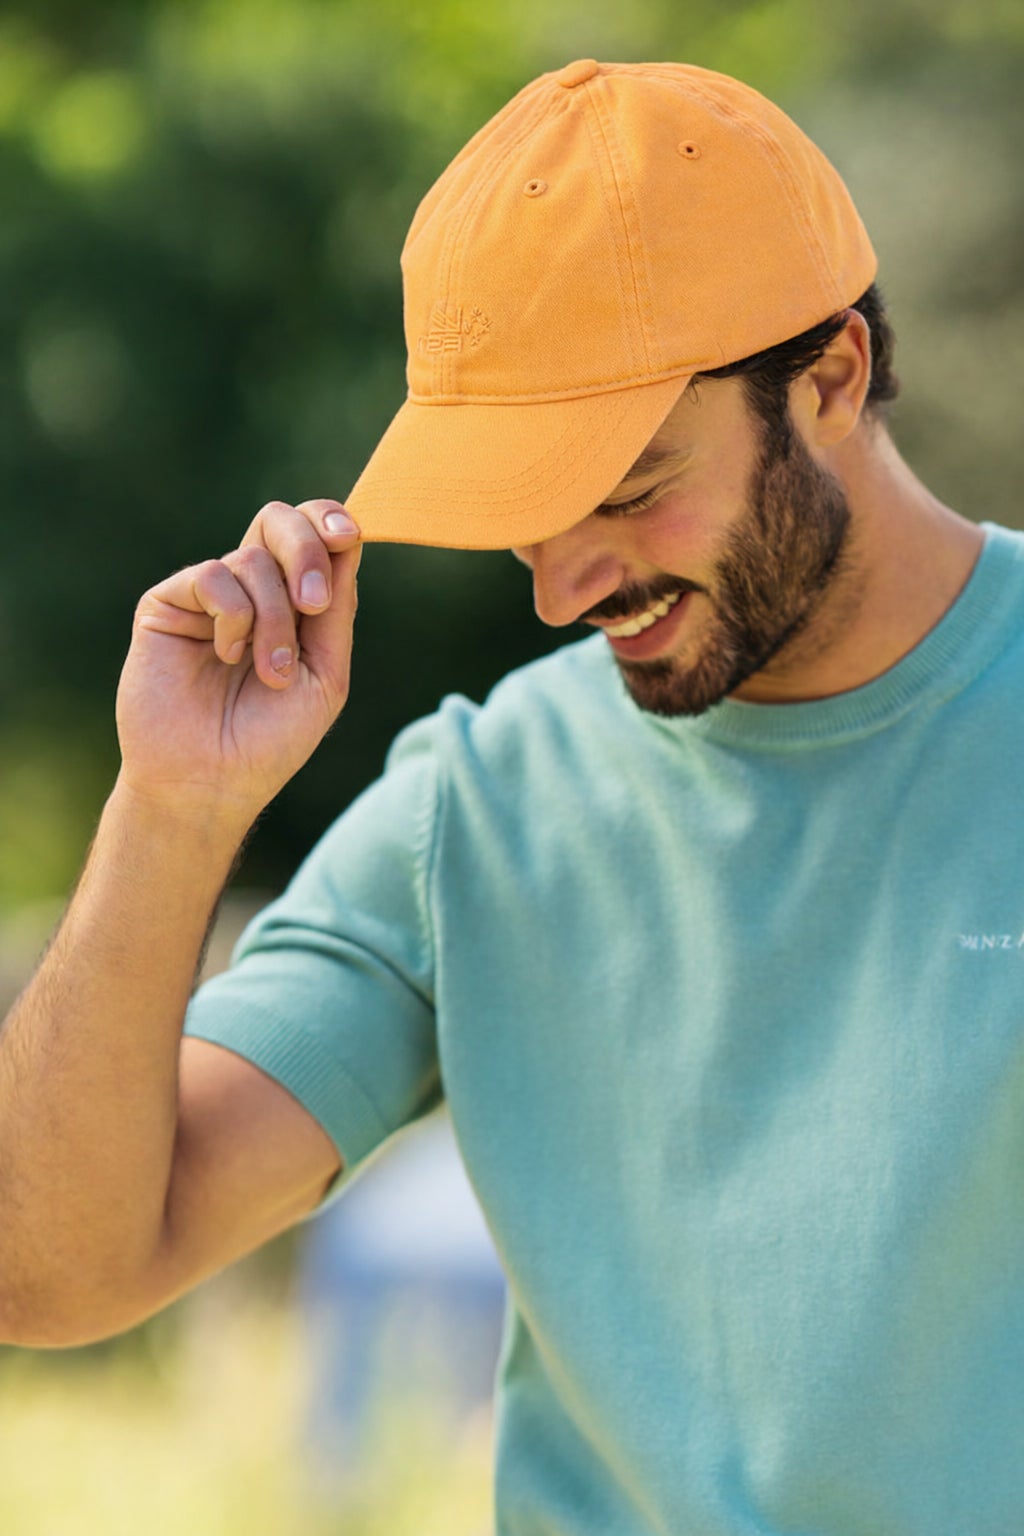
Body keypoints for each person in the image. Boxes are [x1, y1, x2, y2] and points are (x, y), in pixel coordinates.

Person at [1, 57, 1021, 1534]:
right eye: (521, 516)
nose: (564, 590)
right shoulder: (472, 814)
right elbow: (49, 1274)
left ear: (833, 378)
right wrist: (171, 809)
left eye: (624, 487)